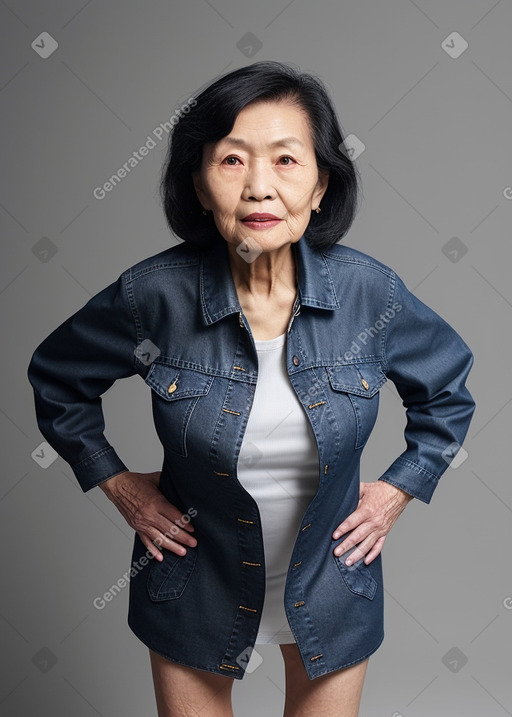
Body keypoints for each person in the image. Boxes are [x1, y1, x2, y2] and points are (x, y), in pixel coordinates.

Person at [27, 60, 475, 717]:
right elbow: (58, 377)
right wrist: (118, 484)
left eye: (287, 161)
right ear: (201, 185)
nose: (260, 187)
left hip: (332, 581)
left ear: (321, 185)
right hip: (191, 584)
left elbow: (447, 390)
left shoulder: (368, 295)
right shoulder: (153, 296)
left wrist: (399, 488)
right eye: (232, 160)